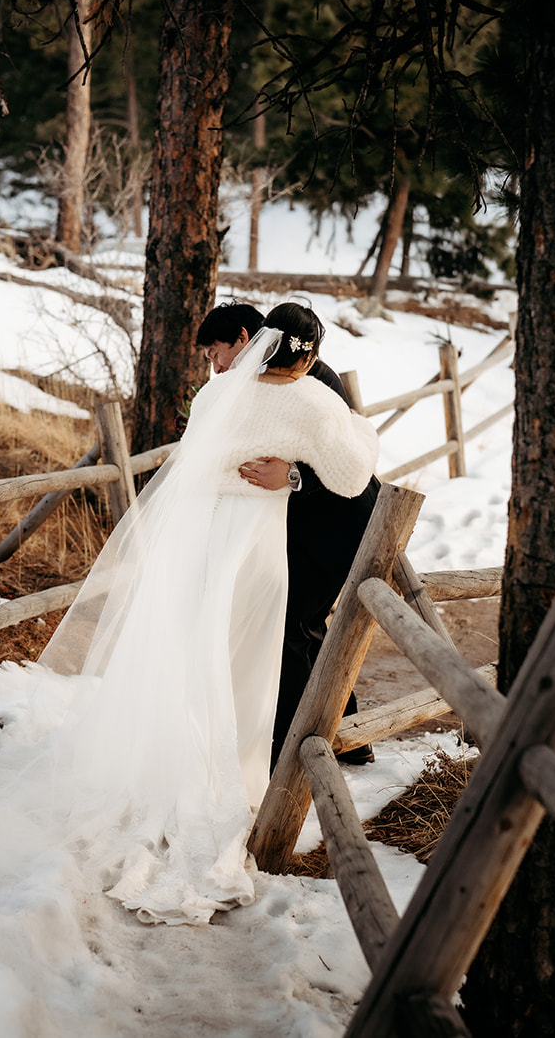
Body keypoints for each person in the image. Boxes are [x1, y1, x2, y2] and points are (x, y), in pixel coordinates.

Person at [37, 314, 378, 925]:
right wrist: (360, 430)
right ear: (309, 355)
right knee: (245, 663)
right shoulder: (314, 402)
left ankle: (170, 773)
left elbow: (196, 464)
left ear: (263, 341)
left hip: (199, 538)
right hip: (255, 547)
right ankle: (229, 786)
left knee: (193, 656)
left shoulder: (215, 392)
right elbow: (353, 479)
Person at [194, 302, 382, 768]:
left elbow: (342, 461)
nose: (214, 366)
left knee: (296, 626)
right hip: (288, 524)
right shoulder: (250, 383)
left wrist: (293, 475)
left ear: (245, 338)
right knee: (298, 627)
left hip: (334, 517)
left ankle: (309, 743)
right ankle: (341, 735)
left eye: (216, 352)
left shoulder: (313, 381)